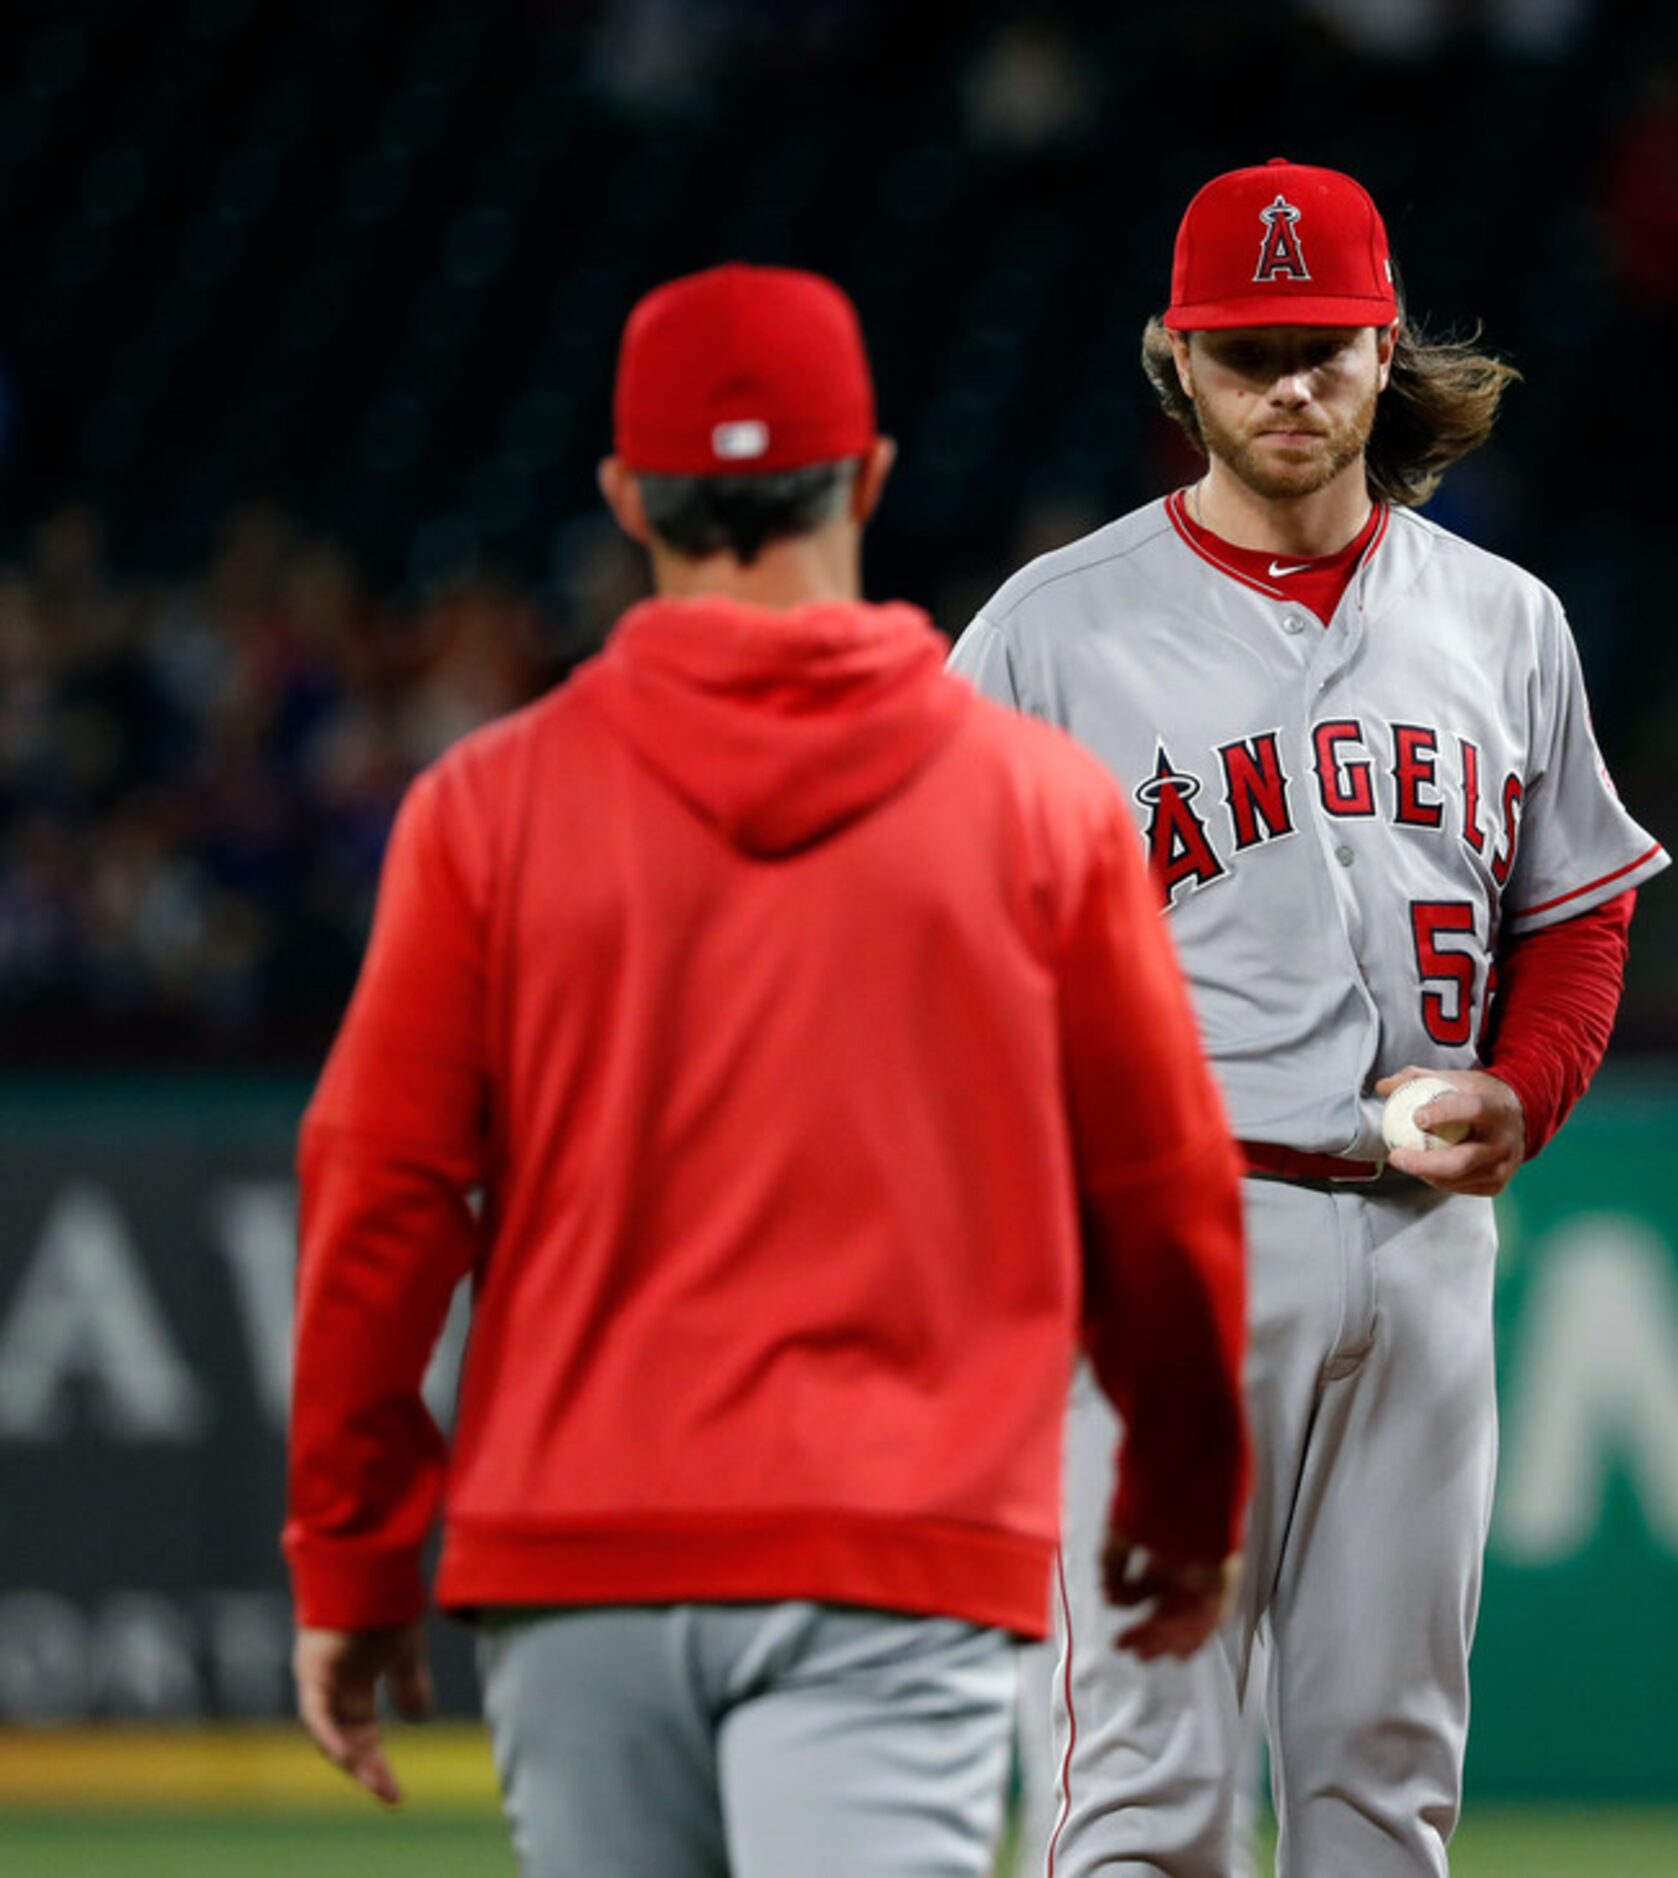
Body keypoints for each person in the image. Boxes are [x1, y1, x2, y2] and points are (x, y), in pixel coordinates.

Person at [281, 262, 1252, 1878]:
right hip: (896, 1547)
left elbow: (381, 1202)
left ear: (624, 496)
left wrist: (352, 1557)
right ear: (868, 476)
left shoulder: (486, 806)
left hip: (574, 1552)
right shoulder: (1036, 807)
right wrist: (1180, 1482)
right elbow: (1159, 1194)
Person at [950, 158, 1667, 1877]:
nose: (1289, 387)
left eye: (1324, 347)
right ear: (1173, 360)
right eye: (1245, 349)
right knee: (1147, 1789)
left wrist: (1528, 1084)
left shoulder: (1504, 622)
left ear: (1382, 346)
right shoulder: (1050, 633)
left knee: (1382, 1789)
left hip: (1424, 1247)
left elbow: (1574, 907)